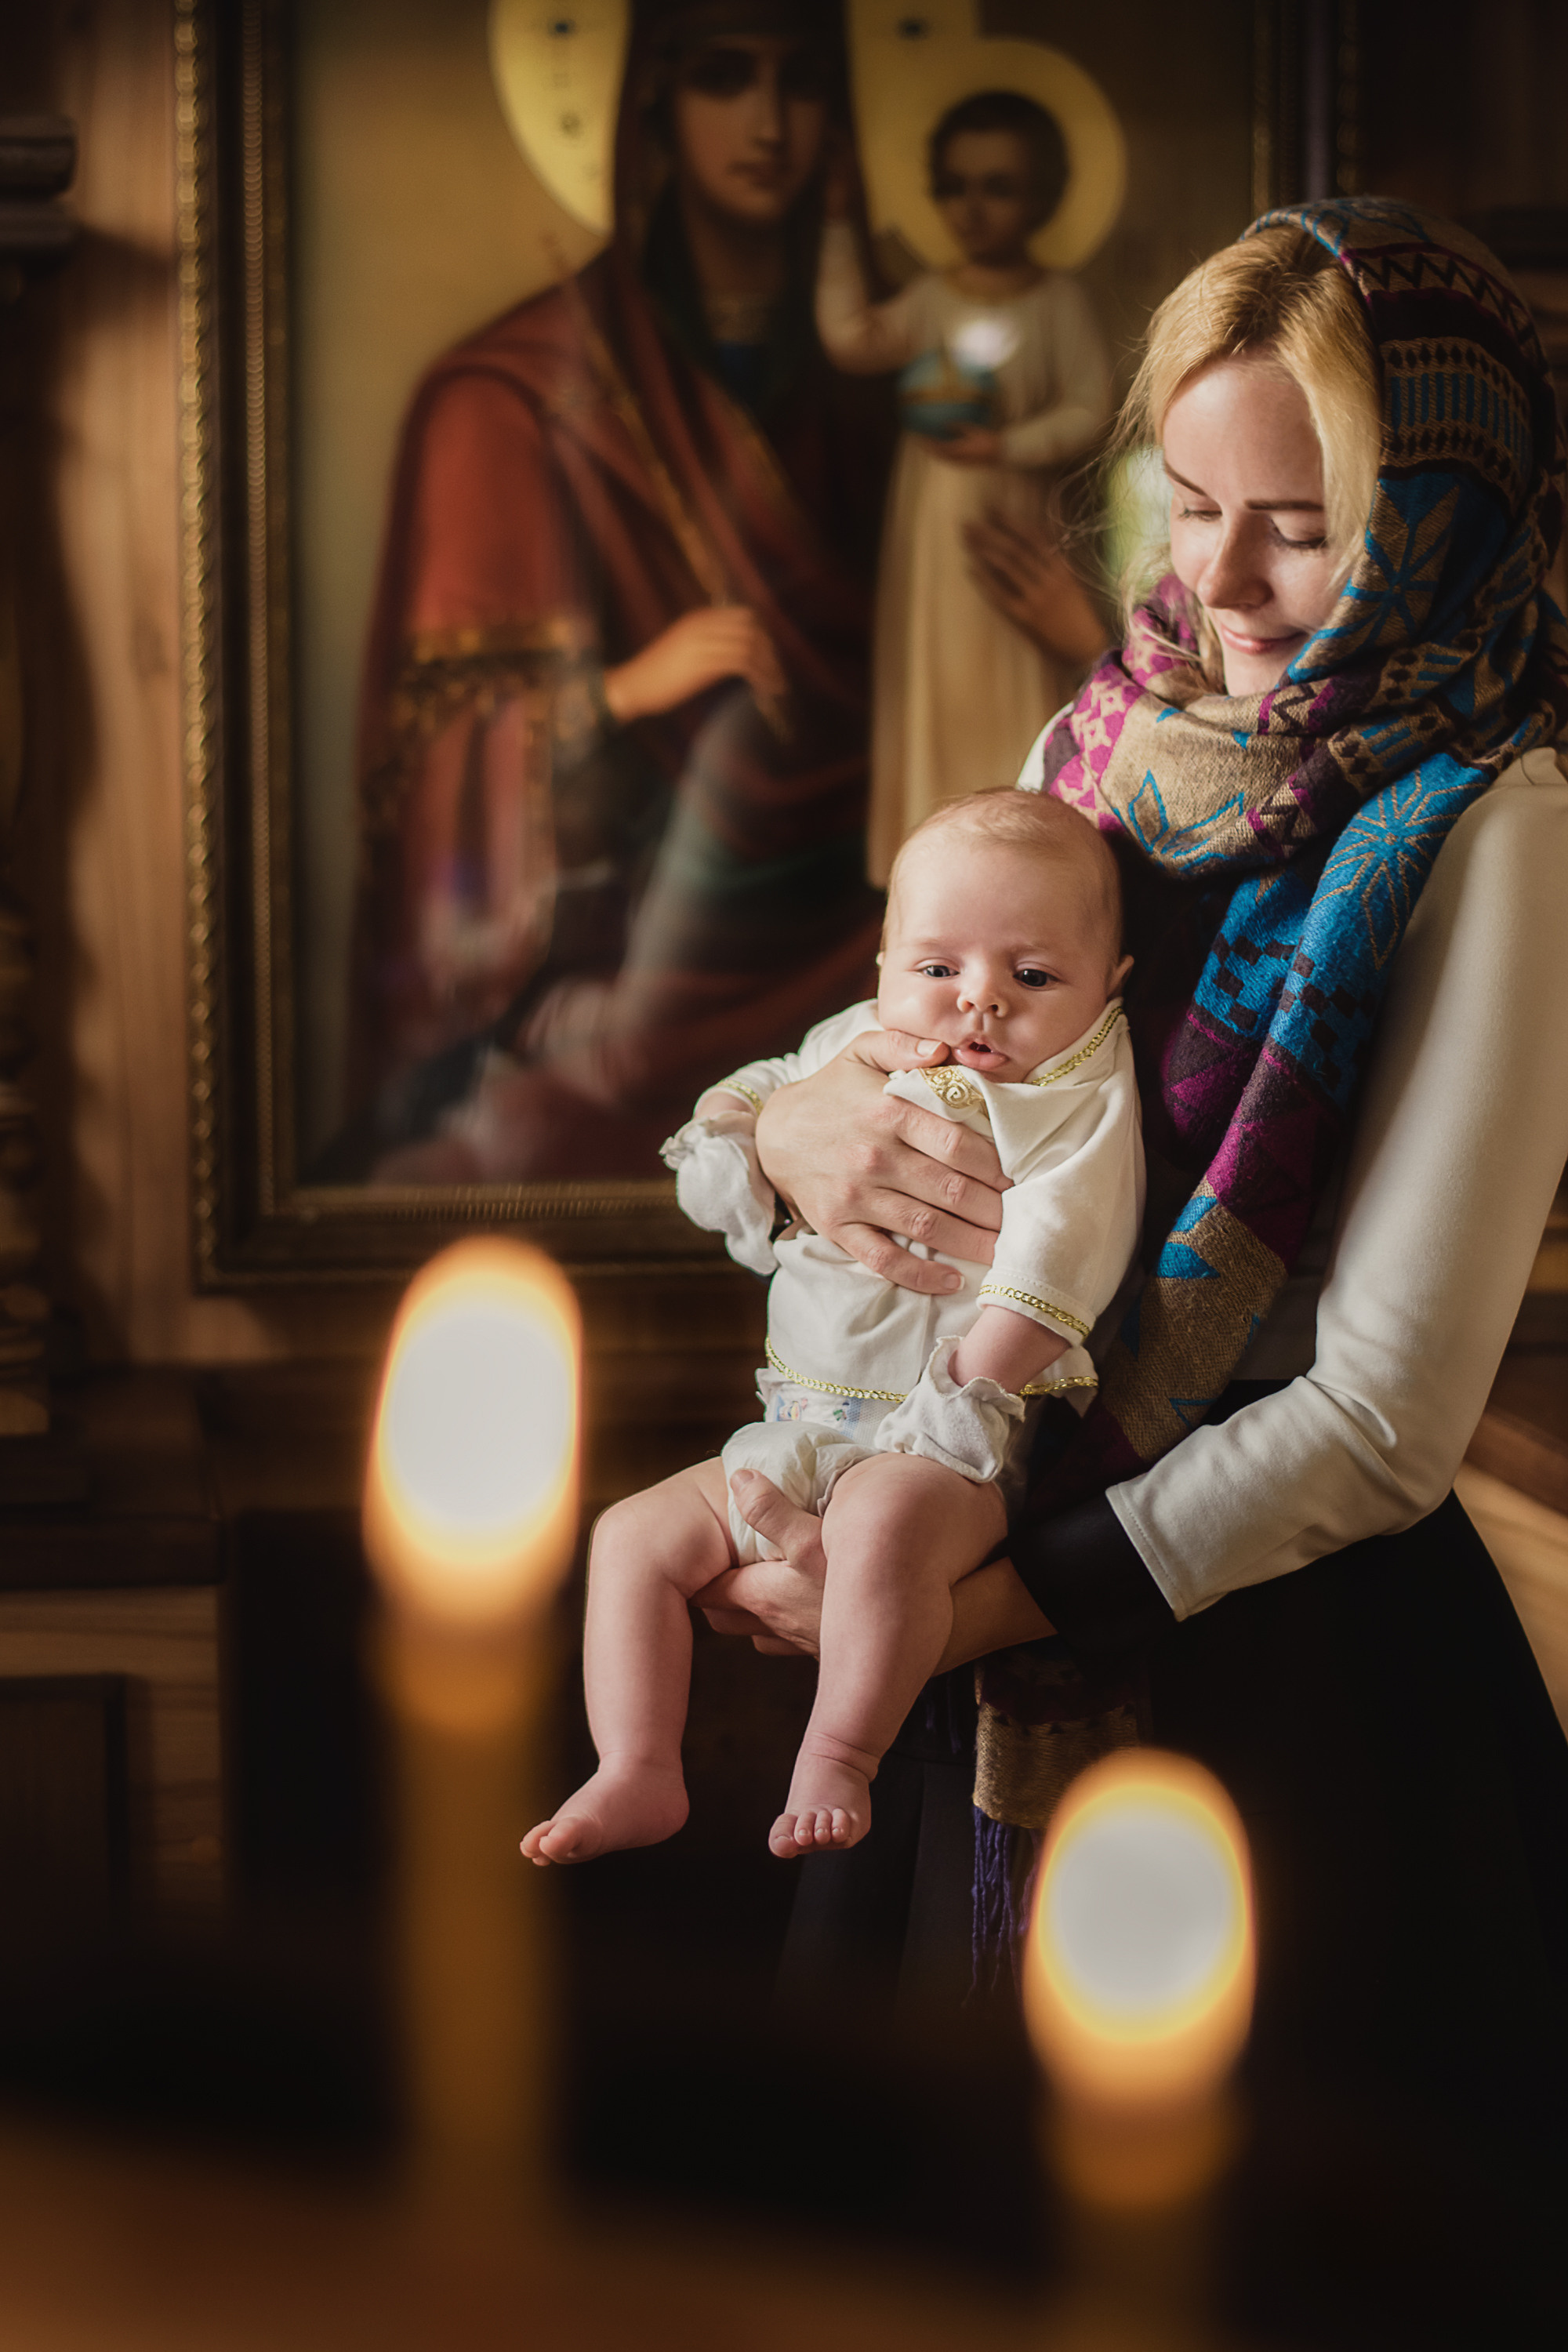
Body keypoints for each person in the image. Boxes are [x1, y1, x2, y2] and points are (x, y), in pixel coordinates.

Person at [689, 199, 1568, 2120]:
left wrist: (961, 1594)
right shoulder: (1104, 741)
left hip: (1262, 1663)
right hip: (977, 1560)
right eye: (1187, 504)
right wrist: (789, 1120)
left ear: (1442, 510)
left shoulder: (1489, 826)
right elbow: (928, 1051)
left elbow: (1375, 1424)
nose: (1229, 585)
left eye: (1304, 522)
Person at [521, 789, 1141, 1865]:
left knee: (882, 1526)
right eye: (937, 969)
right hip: (799, 1421)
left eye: (1032, 978)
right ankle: (637, 1766)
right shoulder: (860, 1041)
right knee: (630, 1537)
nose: (977, 1004)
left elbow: (1057, 1262)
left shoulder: (1075, 1099)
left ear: (1108, 990)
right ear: (887, 967)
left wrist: (960, 1406)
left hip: (952, 1441)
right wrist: (741, 1131)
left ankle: (839, 1753)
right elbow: (763, 1091)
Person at [343, 1, 891, 1182]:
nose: (768, 121)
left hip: (877, 913)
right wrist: (624, 688)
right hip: (641, 936)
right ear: (653, 107)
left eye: (801, 82)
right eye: (724, 78)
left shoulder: (895, 386)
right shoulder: (507, 397)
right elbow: (436, 755)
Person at [815, 89, 1112, 886]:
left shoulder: (1057, 302)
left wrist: (1007, 444)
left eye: (997, 186)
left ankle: (1017, 858)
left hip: (1015, 524)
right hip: (935, 533)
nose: (970, 208)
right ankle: (932, 864)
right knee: (936, 685)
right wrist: (839, 222)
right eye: (954, 186)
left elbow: (1092, 404)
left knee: (1011, 680)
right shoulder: (932, 299)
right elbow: (851, 339)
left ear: (1041, 196)